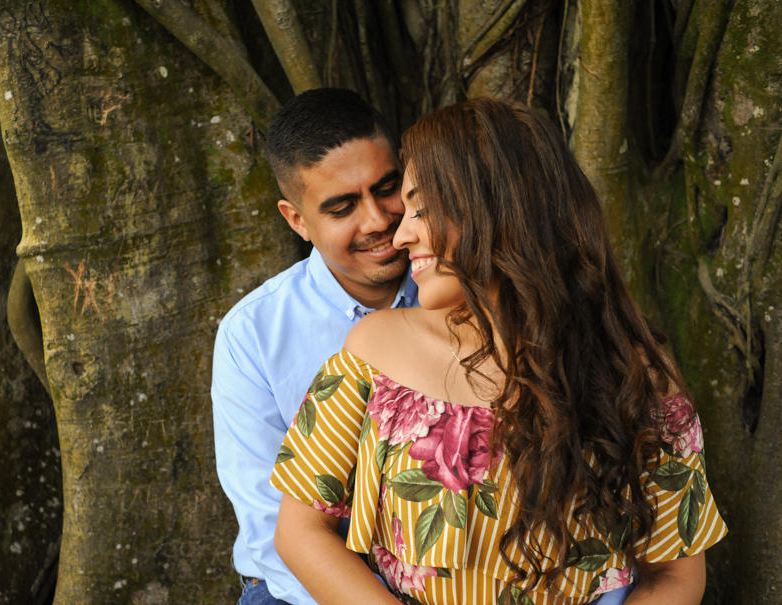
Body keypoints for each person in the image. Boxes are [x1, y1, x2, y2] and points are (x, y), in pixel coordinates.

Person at [271, 97, 727, 605]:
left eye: (421, 207)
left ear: (495, 206)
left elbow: (677, 575)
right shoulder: (374, 352)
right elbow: (300, 533)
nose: (401, 233)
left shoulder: (634, 374)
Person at [212, 88, 418, 605]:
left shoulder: (469, 285)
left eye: (387, 188)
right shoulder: (254, 336)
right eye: (342, 207)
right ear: (296, 220)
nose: (376, 220)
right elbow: (272, 531)